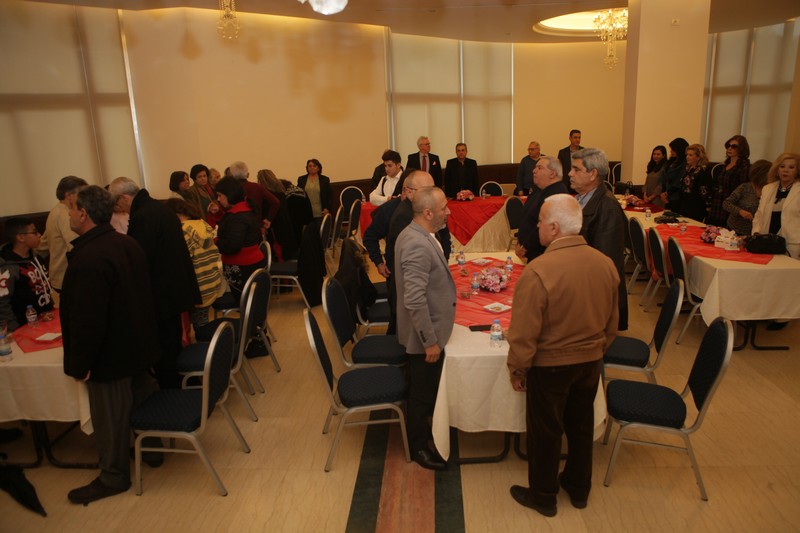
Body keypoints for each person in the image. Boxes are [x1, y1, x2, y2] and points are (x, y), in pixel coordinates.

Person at [506, 194, 619, 517]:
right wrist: (596, 350)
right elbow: (612, 323)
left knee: (546, 431)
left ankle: (543, 495)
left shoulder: (539, 270)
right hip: (590, 362)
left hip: (550, 365)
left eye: (540, 220)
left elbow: (524, 333)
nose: (536, 225)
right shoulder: (605, 263)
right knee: (580, 426)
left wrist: (518, 369)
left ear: (553, 228)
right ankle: (579, 487)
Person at [61, 185, 161, 505]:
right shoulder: (126, 243)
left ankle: (113, 476)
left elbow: (88, 320)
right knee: (143, 402)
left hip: (111, 356)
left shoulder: (89, 257)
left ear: (84, 214)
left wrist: (79, 364)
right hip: (138, 344)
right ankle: (154, 451)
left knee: (110, 421)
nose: (68, 213)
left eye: (71, 207)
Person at [108, 177, 201, 390]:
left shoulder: (142, 216)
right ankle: (187, 384)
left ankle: (173, 394)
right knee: (174, 343)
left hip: (162, 293)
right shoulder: (159, 208)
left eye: (117, 203)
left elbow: (140, 259)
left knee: (165, 348)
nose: (117, 208)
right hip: (175, 288)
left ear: (123, 198)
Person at [394, 186, 455, 471]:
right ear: (428, 212)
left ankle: (430, 430)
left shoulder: (418, 234)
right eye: (444, 208)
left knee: (425, 389)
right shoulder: (417, 243)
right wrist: (429, 341)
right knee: (420, 393)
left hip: (428, 330)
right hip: (424, 337)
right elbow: (414, 299)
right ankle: (419, 446)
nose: (449, 211)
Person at [569, 148, 628, 331]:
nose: (570, 173)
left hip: (594, 302)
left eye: (576, 169)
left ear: (593, 174)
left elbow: (604, 263)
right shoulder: (581, 199)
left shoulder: (607, 207)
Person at [386, 171, 451, 333]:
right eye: (426, 190)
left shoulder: (423, 210)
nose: (432, 195)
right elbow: (414, 291)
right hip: (414, 305)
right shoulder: (406, 217)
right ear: (408, 192)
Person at [164, 198, 222, 329]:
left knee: (200, 327)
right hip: (211, 281)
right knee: (203, 320)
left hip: (198, 286)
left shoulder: (182, 231)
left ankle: (206, 345)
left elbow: (182, 261)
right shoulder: (203, 224)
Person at [214, 176, 268, 300]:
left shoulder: (236, 216)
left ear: (229, 195)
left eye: (220, 195)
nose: (218, 199)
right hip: (252, 262)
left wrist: (215, 241)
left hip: (242, 266)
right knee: (253, 304)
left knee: (246, 303)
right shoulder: (246, 208)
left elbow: (232, 246)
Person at [40, 175, 87, 306]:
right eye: (81, 193)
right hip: (66, 275)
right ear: (69, 195)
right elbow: (75, 245)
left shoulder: (55, 211)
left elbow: (42, 245)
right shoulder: (65, 214)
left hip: (58, 274)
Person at [363, 168, 416, 280]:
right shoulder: (389, 209)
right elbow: (369, 236)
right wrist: (379, 262)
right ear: (407, 190)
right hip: (397, 271)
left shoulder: (425, 207)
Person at [0, 218, 54, 326]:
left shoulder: (36, 257)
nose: (39, 235)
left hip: (46, 317)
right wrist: (13, 329)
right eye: (34, 232)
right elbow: (3, 303)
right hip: (24, 324)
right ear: (21, 237)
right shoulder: (8, 268)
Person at [515, 156, 568, 262]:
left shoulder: (557, 193)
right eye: (535, 167)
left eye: (540, 168)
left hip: (543, 256)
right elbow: (528, 219)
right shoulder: (538, 190)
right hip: (529, 253)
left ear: (552, 173)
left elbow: (546, 226)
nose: (534, 171)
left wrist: (525, 247)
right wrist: (519, 241)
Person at [753, 153, 800, 259]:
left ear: (797, 171)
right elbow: (759, 214)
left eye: (791, 167)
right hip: (766, 241)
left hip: (792, 244)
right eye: (782, 166)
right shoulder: (768, 188)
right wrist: (756, 232)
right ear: (777, 169)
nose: (785, 170)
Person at [707, 135, 751, 228]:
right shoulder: (726, 164)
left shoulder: (744, 166)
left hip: (731, 206)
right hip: (717, 204)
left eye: (734, 146)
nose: (730, 148)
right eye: (728, 146)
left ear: (742, 148)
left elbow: (743, 189)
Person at [723, 159, 770, 236]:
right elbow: (726, 203)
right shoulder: (745, 187)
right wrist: (741, 212)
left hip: (754, 233)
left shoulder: (770, 190)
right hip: (734, 230)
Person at [230, 160, 280, 230]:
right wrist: (268, 219)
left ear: (231, 174)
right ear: (247, 174)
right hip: (256, 226)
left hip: (236, 226)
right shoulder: (257, 187)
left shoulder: (230, 189)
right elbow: (276, 202)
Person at [678, 144, 712, 222]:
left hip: (696, 205)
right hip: (685, 203)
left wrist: (708, 205)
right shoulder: (688, 168)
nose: (687, 157)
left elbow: (704, 189)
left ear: (698, 157)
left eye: (690, 155)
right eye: (687, 155)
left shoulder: (702, 170)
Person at [660, 137, 689, 211]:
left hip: (676, 195)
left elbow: (679, 180)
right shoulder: (672, 161)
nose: (671, 151)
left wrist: (666, 193)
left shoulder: (684, 162)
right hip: (667, 194)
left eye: (673, 150)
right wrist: (663, 192)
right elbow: (664, 177)